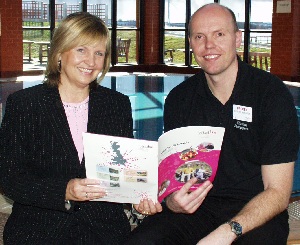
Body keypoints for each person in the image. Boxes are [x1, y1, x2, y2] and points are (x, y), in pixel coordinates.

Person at [125, 3, 299, 245]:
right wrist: (174, 201)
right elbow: (175, 177)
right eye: (199, 36)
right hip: (198, 210)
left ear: (237, 39)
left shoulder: (270, 96)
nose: (209, 45)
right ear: (191, 43)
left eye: (219, 34)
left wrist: (227, 232)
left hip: (257, 212)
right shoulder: (180, 99)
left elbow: (278, 193)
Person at [0, 12, 160, 244]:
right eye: (81, 50)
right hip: (40, 227)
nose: (91, 62)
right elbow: (9, 178)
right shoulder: (26, 104)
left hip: (102, 228)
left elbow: (124, 170)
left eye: (99, 53)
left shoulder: (116, 104)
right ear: (59, 54)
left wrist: (137, 199)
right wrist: (63, 191)